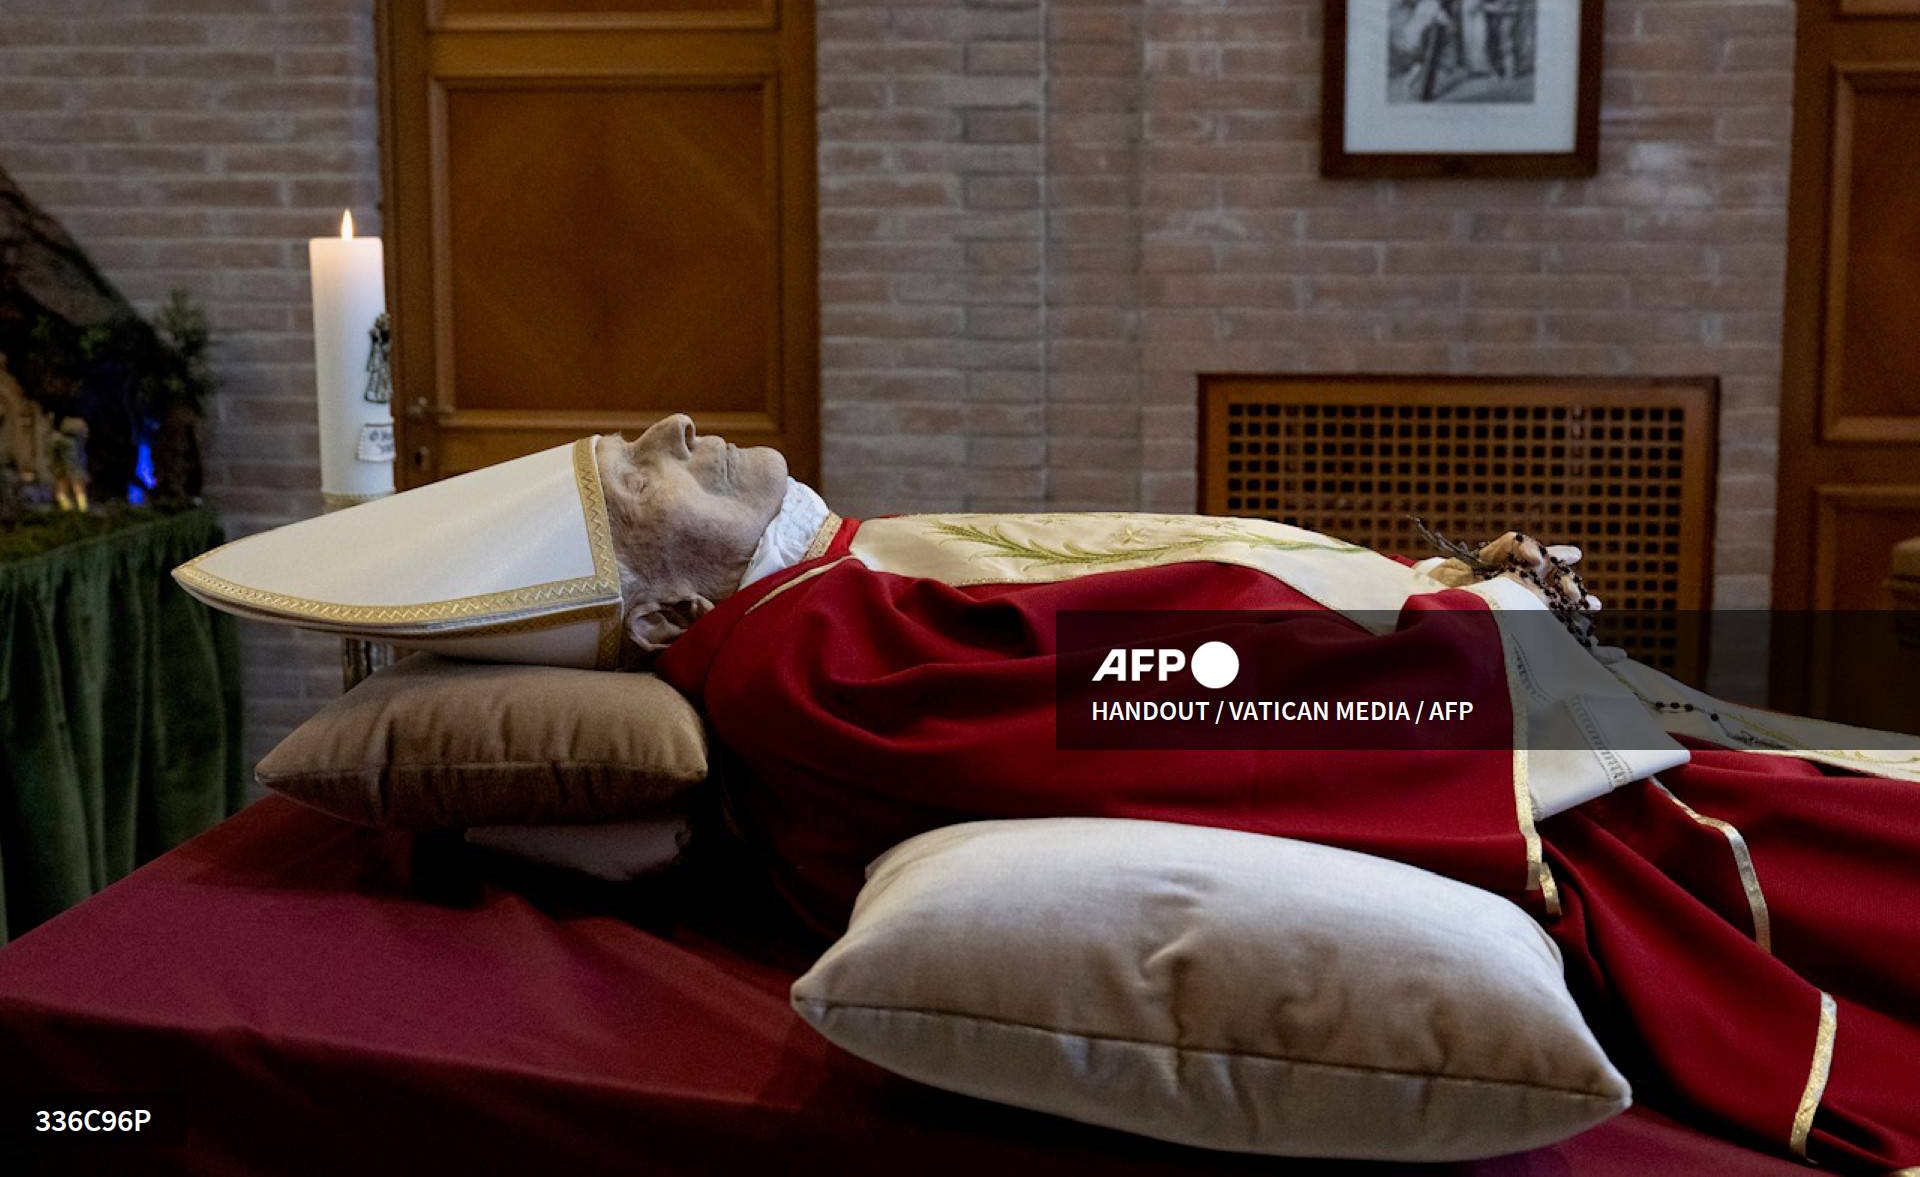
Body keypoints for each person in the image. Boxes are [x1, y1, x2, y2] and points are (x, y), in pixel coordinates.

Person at [179, 415, 1920, 1172]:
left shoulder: (820, 582)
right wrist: (1466, 642)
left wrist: (1424, 579)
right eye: (649, 473)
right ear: (654, 595)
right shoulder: (808, 657)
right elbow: (1139, 703)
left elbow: (1154, 589)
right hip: (1540, 784)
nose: (690, 431)